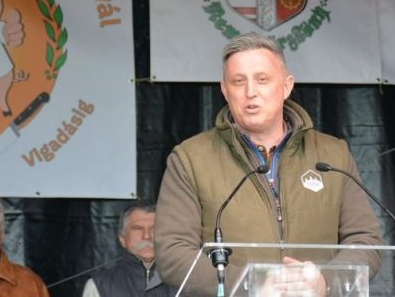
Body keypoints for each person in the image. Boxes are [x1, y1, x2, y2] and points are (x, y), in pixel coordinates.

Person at [154, 32, 383, 296]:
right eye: (238, 81)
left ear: (286, 86)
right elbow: (172, 253)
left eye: (262, 79)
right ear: (224, 90)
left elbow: (366, 241)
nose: (250, 92)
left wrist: (325, 280)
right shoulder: (190, 158)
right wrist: (251, 285)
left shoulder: (333, 154)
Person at [82, 200, 175, 297]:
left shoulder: (183, 281)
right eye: (138, 228)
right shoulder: (99, 286)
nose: (146, 236)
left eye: (154, 228)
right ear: (122, 238)